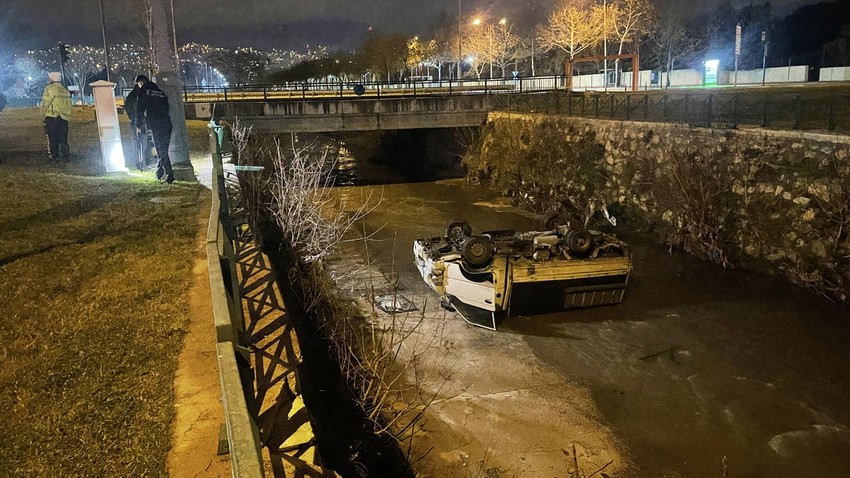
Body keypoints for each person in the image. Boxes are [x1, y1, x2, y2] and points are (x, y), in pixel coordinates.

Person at [134, 74, 173, 183]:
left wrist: (139, 125)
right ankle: (160, 172)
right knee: (163, 149)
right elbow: (167, 106)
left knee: (161, 150)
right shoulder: (160, 92)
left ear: (141, 82)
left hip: (156, 123)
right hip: (167, 123)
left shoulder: (144, 91)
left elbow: (140, 109)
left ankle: (169, 174)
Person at [41, 72, 72, 163]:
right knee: (63, 139)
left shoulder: (50, 88)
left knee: (52, 138)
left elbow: (45, 102)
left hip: (52, 117)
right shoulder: (65, 90)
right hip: (64, 118)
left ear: (52, 78)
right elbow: (69, 105)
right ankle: (66, 156)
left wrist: (43, 113)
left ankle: (54, 157)